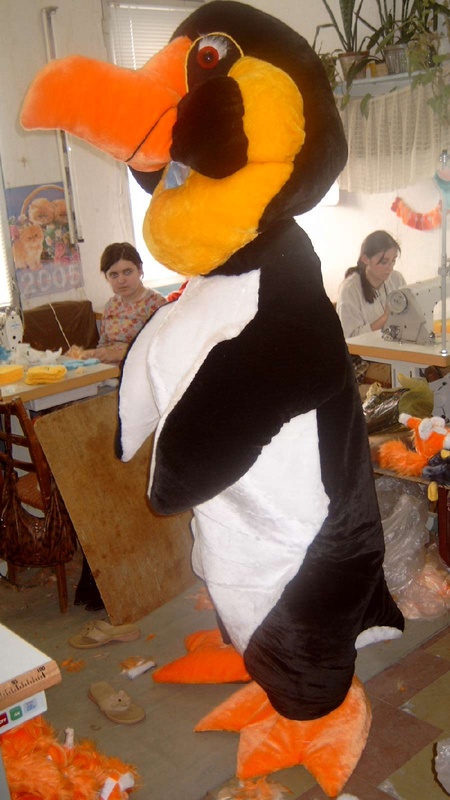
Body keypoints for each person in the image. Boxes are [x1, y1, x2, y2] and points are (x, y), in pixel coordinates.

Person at [81, 242, 167, 363]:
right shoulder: (111, 305)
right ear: (106, 277)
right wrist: (90, 355)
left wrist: (119, 355)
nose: (121, 280)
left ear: (140, 269)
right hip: (109, 370)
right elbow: (103, 345)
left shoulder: (156, 304)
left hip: (139, 369)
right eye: (114, 275)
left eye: (127, 272)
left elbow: (162, 348)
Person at [336, 230, 405, 340]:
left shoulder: (396, 279)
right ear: (365, 259)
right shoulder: (350, 289)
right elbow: (350, 338)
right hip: (364, 350)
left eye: (393, 261)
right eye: (384, 262)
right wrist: (385, 318)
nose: (390, 268)